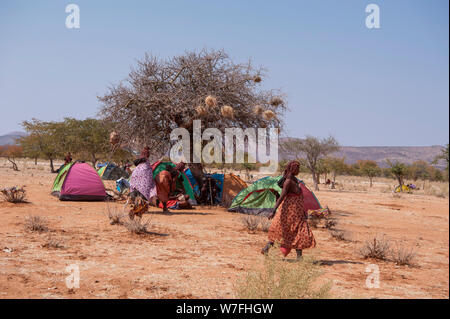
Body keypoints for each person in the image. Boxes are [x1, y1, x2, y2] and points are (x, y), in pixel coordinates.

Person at [261, 160, 316, 260]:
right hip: (289, 211)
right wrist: (273, 210)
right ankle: (267, 249)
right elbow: (282, 196)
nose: (299, 170)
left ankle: (299, 256)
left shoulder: (294, 180)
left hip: (297, 211)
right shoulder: (288, 182)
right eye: (297, 168)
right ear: (292, 168)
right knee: (285, 231)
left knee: (296, 231)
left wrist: (303, 211)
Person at [128, 147, 157, 218]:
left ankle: (136, 210)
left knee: (137, 197)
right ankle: (136, 211)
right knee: (144, 199)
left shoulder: (139, 165)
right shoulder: (146, 165)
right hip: (143, 185)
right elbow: (149, 179)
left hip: (135, 183)